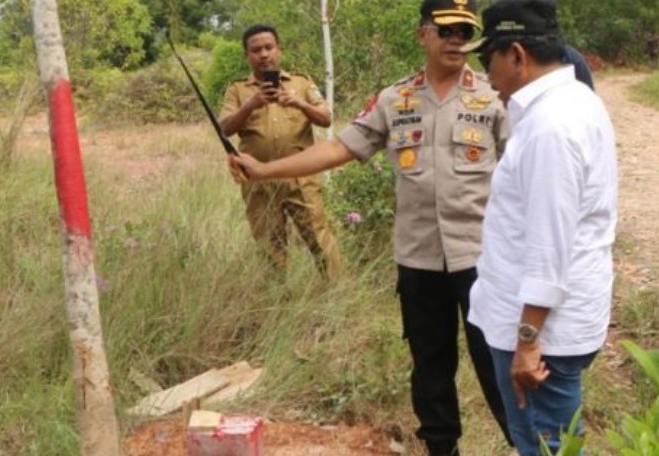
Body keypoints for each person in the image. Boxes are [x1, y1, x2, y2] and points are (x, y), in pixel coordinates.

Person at [228, 2, 511, 454]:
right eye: (447, 30)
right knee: (430, 365)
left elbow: (524, 174)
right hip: (418, 258)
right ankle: (442, 448)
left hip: (483, 259)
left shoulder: (495, 98)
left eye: (465, 30)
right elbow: (339, 148)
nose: (457, 39)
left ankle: (524, 444)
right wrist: (265, 170)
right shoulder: (394, 99)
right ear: (424, 35)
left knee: (496, 362)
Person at [462, 0, 617, 454]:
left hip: (540, 333)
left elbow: (550, 244)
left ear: (515, 54)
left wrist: (528, 341)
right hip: (543, 323)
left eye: (485, 57)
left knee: (546, 446)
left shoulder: (552, 125)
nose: (485, 72)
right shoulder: (573, 101)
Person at [219, 24, 343, 280]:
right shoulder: (238, 90)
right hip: (259, 181)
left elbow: (326, 118)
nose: (263, 55)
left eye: (269, 47)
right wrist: (251, 104)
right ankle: (278, 304)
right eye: (256, 50)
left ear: (279, 50)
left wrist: (298, 102)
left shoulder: (301, 82)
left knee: (318, 236)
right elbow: (224, 128)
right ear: (247, 55)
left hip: (302, 179)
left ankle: (337, 294)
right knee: (269, 244)